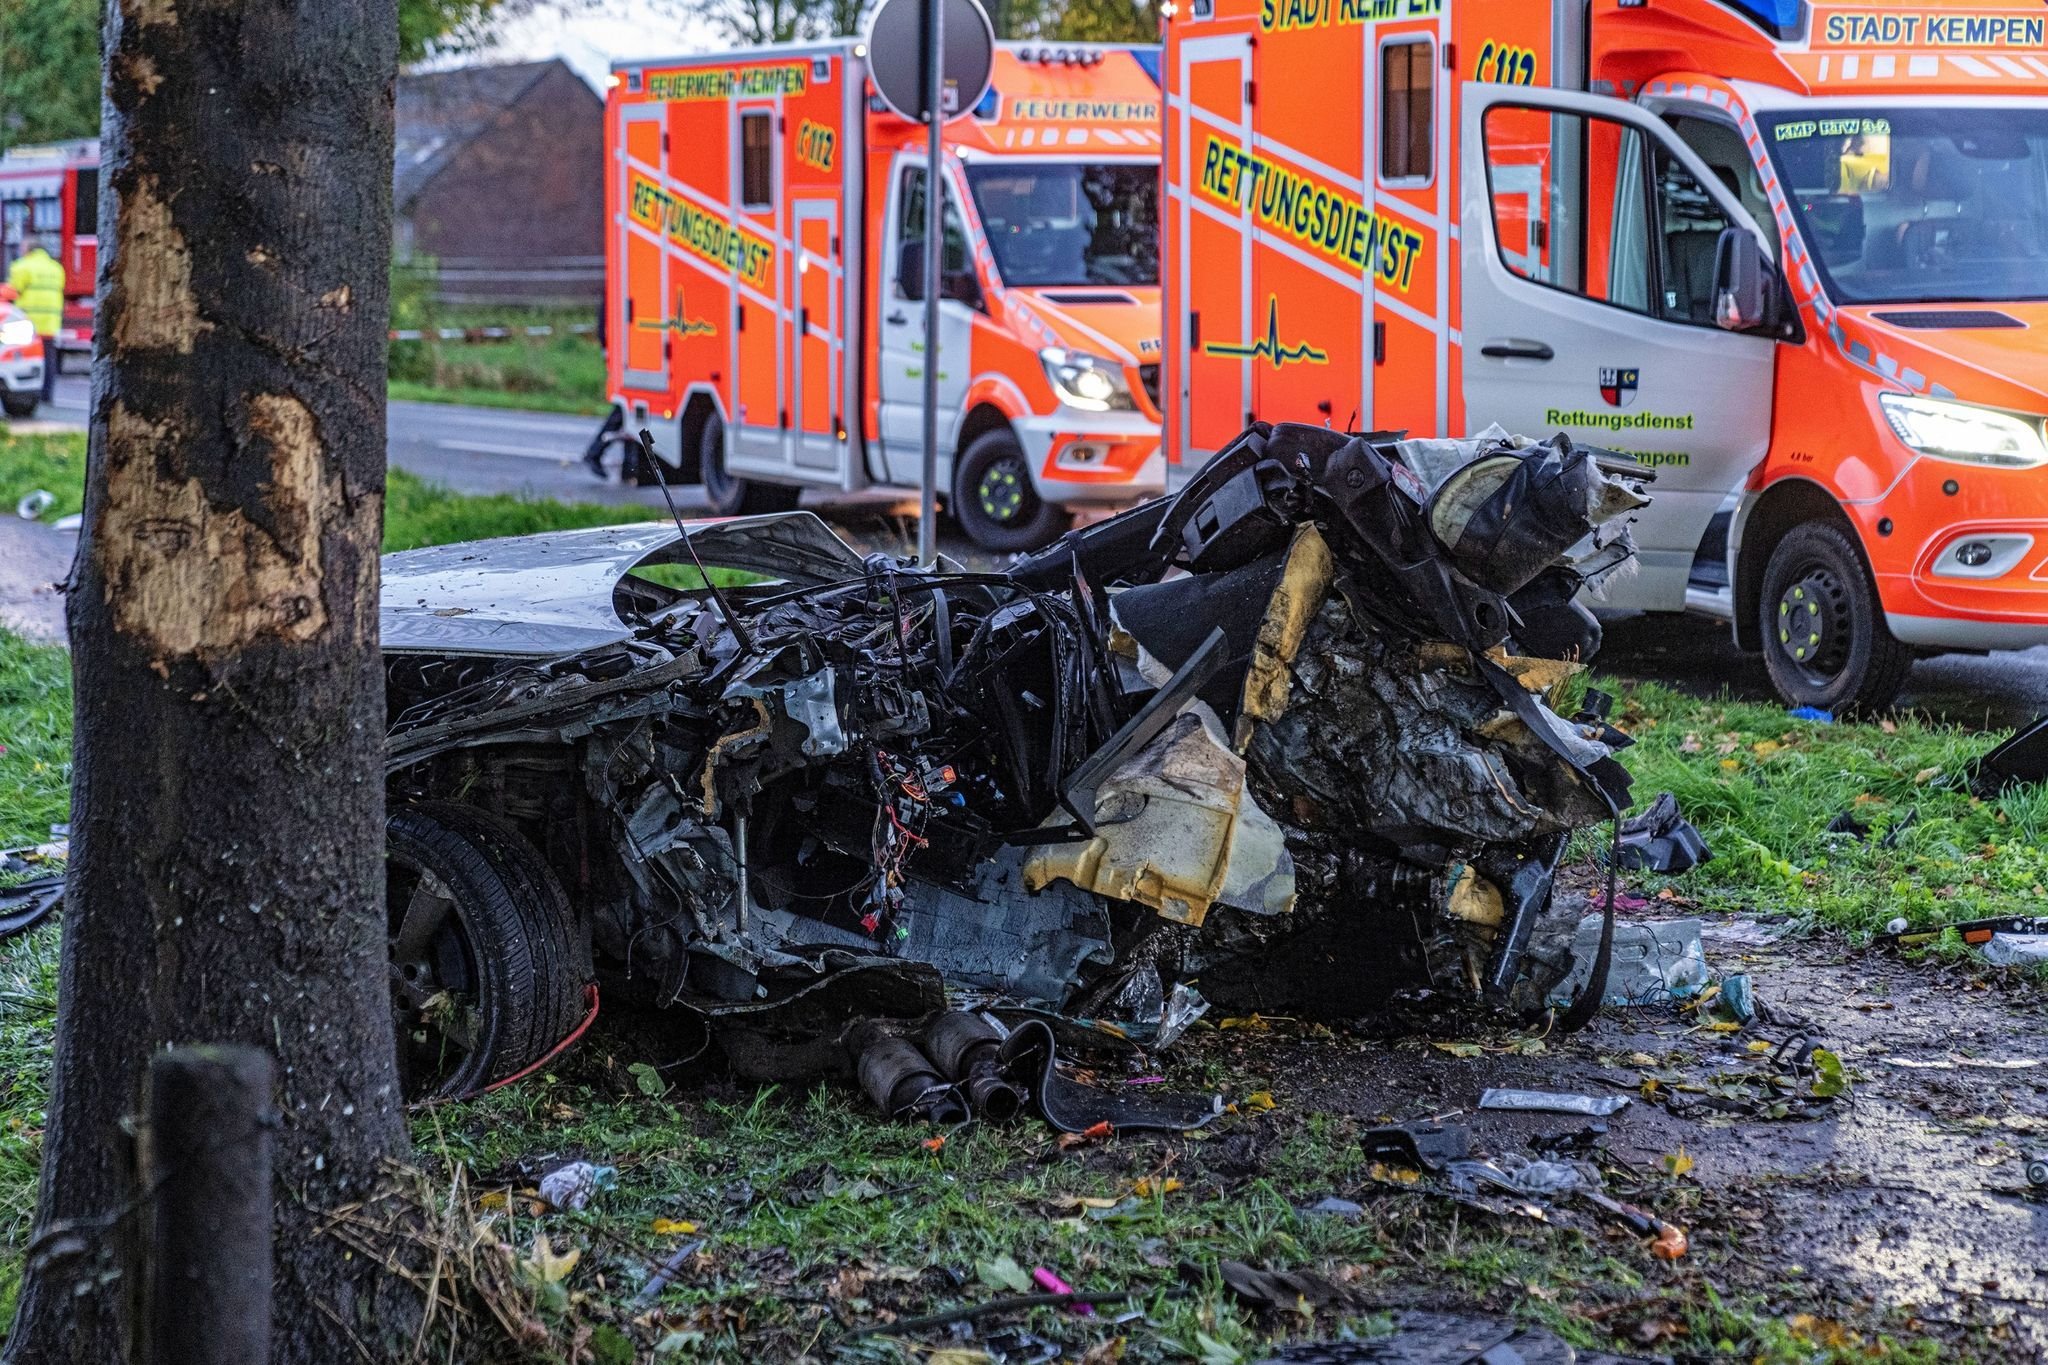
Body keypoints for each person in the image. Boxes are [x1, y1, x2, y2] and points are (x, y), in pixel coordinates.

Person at [6, 234, 65, 408]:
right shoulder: (56, 268)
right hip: (50, 321)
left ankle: (29, 393)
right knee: (48, 358)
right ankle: (48, 394)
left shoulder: (22, 267)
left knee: (24, 359)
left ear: (28, 249)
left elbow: (12, 292)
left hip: (27, 322)